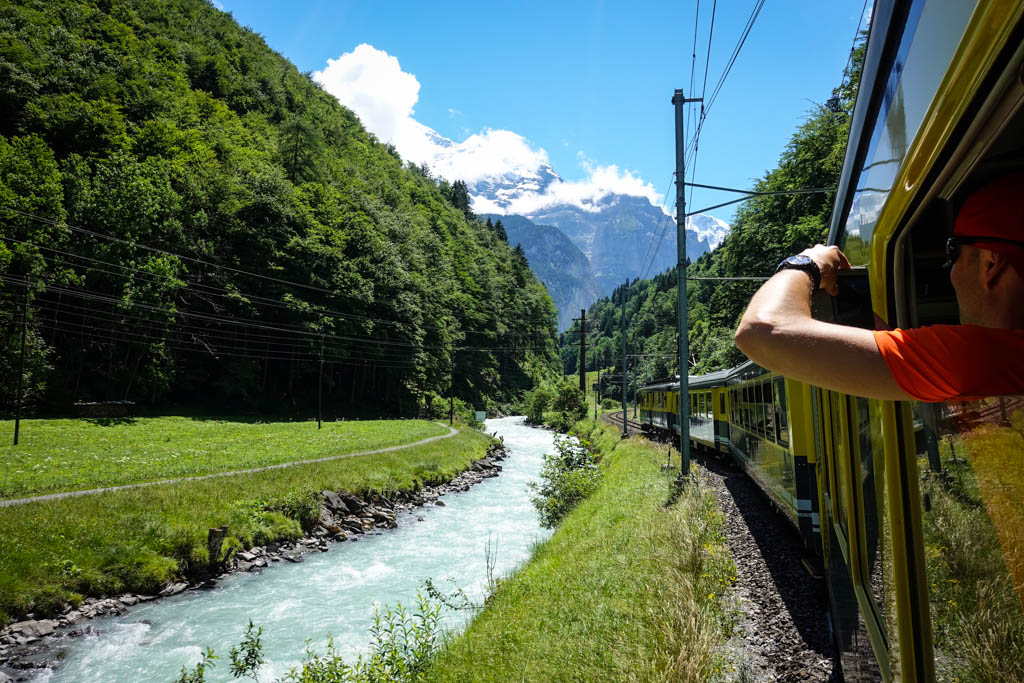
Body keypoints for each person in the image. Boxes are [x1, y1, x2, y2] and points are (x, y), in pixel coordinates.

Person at [734, 172, 1024, 402]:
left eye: (953, 252)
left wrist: (806, 263)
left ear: (991, 263)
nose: (949, 270)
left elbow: (761, 331)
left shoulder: (985, 358)